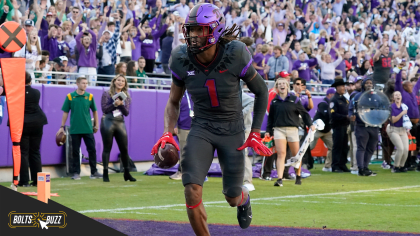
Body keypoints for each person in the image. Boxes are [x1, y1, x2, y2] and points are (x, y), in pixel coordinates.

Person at [151, 4, 271, 234]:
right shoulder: (180, 57)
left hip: (232, 129)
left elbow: (262, 91)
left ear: (215, 31)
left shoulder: (235, 52)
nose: (193, 36)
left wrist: (255, 131)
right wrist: (168, 131)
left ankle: (244, 199)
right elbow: (173, 101)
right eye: (191, 30)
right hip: (202, 127)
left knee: (232, 196)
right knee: (191, 189)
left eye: (199, 30)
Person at [265, 78, 315, 187]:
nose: (282, 85)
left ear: (287, 86)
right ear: (277, 87)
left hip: (293, 129)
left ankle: (298, 175)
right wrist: (268, 131)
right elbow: (271, 118)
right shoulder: (274, 101)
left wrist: (310, 124)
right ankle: (279, 178)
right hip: (279, 129)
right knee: (281, 153)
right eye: (279, 84)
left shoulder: (295, 100)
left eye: (284, 83)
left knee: (296, 154)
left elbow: (304, 113)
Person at [56, 77, 102, 180]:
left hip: (88, 129)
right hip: (75, 129)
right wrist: (61, 127)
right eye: (83, 83)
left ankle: (94, 172)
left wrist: (96, 125)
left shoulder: (90, 96)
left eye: (86, 83)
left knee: (92, 150)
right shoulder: (70, 97)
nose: (85, 85)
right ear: (77, 84)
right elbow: (65, 112)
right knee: (75, 152)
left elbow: (95, 111)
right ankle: (76, 173)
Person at [100, 74, 136, 182]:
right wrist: (114, 104)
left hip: (120, 122)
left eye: (123, 81)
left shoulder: (127, 96)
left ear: (125, 84)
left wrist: (120, 104)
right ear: (114, 81)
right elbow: (104, 109)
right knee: (107, 148)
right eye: (118, 80)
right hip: (108, 121)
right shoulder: (107, 93)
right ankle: (105, 173)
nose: (120, 82)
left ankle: (127, 173)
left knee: (124, 149)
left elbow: (126, 113)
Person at [18, 72, 48, 187]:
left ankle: (24, 181)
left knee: (23, 152)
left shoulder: (17, 93)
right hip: (37, 123)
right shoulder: (36, 92)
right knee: (35, 152)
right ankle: (37, 180)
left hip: (23, 124)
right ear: (30, 81)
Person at [349, 77, 378, 176]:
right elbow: (350, 108)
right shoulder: (357, 96)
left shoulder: (376, 96)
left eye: (370, 83)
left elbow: (381, 108)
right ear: (363, 85)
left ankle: (365, 167)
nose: (369, 84)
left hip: (374, 126)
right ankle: (360, 168)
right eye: (367, 83)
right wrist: (351, 116)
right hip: (361, 125)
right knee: (361, 147)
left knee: (371, 148)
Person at [169, 89, 194, 180]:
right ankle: (181, 172)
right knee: (184, 151)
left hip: (197, 126)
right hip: (183, 126)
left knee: (198, 151)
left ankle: (199, 173)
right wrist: (174, 125)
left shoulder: (197, 91)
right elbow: (173, 110)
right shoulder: (179, 93)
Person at [310, 88, 335, 172]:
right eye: (333, 94)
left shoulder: (331, 103)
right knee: (309, 147)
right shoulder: (323, 103)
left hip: (327, 130)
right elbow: (327, 114)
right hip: (317, 129)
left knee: (332, 147)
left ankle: (327, 166)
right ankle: (303, 163)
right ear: (330, 94)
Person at [330, 77, 351, 173]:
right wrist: (345, 117)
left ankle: (342, 164)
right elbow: (333, 114)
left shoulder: (345, 100)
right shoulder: (334, 99)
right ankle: (335, 166)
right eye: (342, 86)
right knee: (337, 146)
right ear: (337, 88)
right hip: (337, 126)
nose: (344, 88)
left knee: (344, 147)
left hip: (345, 126)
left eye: (344, 86)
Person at [387, 91, 410, 173]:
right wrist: (402, 113)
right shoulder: (391, 107)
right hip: (394, 129)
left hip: (403, 129)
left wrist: (408, 129)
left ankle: (402, 166)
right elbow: (393, 120)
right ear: (393, 98)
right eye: (396, 95)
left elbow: (406, 120)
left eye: (399, 95)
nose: (398, 96)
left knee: (406, 149)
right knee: (400, 148)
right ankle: (395, 166)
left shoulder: (404, 106)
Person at [242, 91, 255, 191]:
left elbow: (252, 101)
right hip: (229, 129)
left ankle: (248, 181)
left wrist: (241, 114)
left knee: (243, 153)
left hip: (243, 128)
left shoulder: (238, 93)